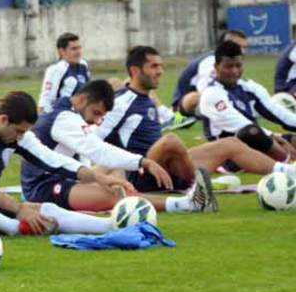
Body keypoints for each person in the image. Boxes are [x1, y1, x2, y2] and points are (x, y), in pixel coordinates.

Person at [97, 46, 295, 206]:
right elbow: (92, 139)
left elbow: (172, 120)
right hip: (142, 173)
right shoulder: (120, 103)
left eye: (161, 66)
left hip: (168, 167)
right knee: (170, 141)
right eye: (154, 66)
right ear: (135, 71)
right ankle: (198, 188)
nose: (160, 71)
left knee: (231, 144)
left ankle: (288, 172)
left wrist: (186, 116)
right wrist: (102, 174)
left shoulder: (148, 99)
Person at [0, 91, 121, 238]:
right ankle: (12, 228)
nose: (20, 137)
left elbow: (51, 159)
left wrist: (96, 177)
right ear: (3, 119)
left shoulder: (14, 133)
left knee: (43, 210)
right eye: (19, 131)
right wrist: (18, 209)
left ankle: (112, 225)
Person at [21, 80, 212, 213]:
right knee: (115, 195)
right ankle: (185, 204)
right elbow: (97, 150)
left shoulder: (66, 110)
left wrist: (98, 178)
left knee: (117, 172)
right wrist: (143, 162)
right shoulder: (64, 118)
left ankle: (180, 199)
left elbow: (87, 154)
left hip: (66, 177)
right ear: (82, 100)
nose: (96, 121)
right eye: (96, 113)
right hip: (44, 188)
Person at [199, 41, 296, 161]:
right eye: (228, 66)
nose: (234, 71)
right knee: (252, 132)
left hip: (257, 142)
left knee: (292, 140)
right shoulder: (211, 94)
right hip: (226, 154)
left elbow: (277, 112)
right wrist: (272, 136)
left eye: (238, 65)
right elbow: (241, 125)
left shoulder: (249, 87)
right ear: (216, 67)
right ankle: (287, 165)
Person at [168, 30, 248, 129]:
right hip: (179, 113)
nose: (242, 51)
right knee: (204, 94)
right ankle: (174, 119)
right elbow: (206, 91)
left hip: (198, 107)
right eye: (238, 46)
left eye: (244, 47)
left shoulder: (225, 61)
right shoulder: (209, 61)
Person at [38, 33, 90, 113]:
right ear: (61, 51)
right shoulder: (56, 70)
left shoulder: (83, 65)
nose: (78, 52)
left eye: (79, 48)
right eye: (74, 49)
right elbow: (45, 101)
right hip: (62, 115)